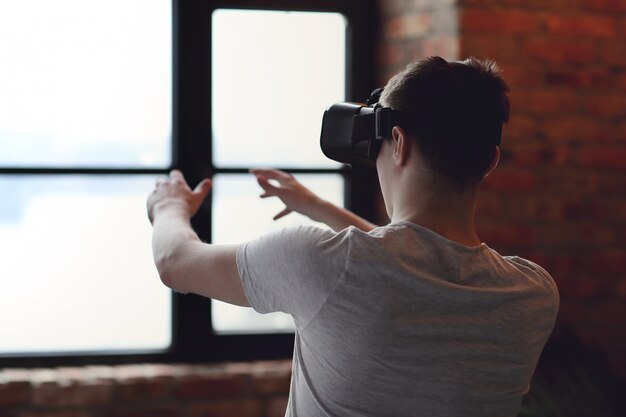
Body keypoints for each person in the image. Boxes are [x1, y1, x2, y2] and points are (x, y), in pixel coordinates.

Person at [147, 56, 559, 417]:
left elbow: (175, 262)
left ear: (397, 143)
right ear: (490, 161)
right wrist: (321, 208)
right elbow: (415, 263)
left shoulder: (320, 263)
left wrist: (168, 205)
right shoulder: (533, 294)